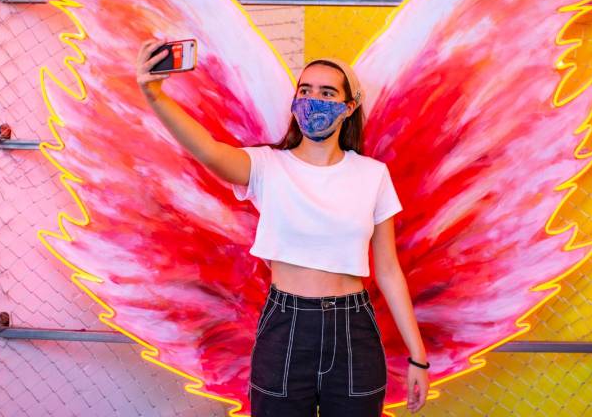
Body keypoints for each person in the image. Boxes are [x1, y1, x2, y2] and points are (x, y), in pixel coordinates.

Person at [136, 39, 430, 416]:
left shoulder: (372, 175)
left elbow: (388, 269)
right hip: (286, 325)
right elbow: (207, 149)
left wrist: (418, 358)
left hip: (354, 329)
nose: (312, 100)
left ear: (348, 107)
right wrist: (154, 94)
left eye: (327, 93)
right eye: (304, 91)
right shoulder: (266, 166)